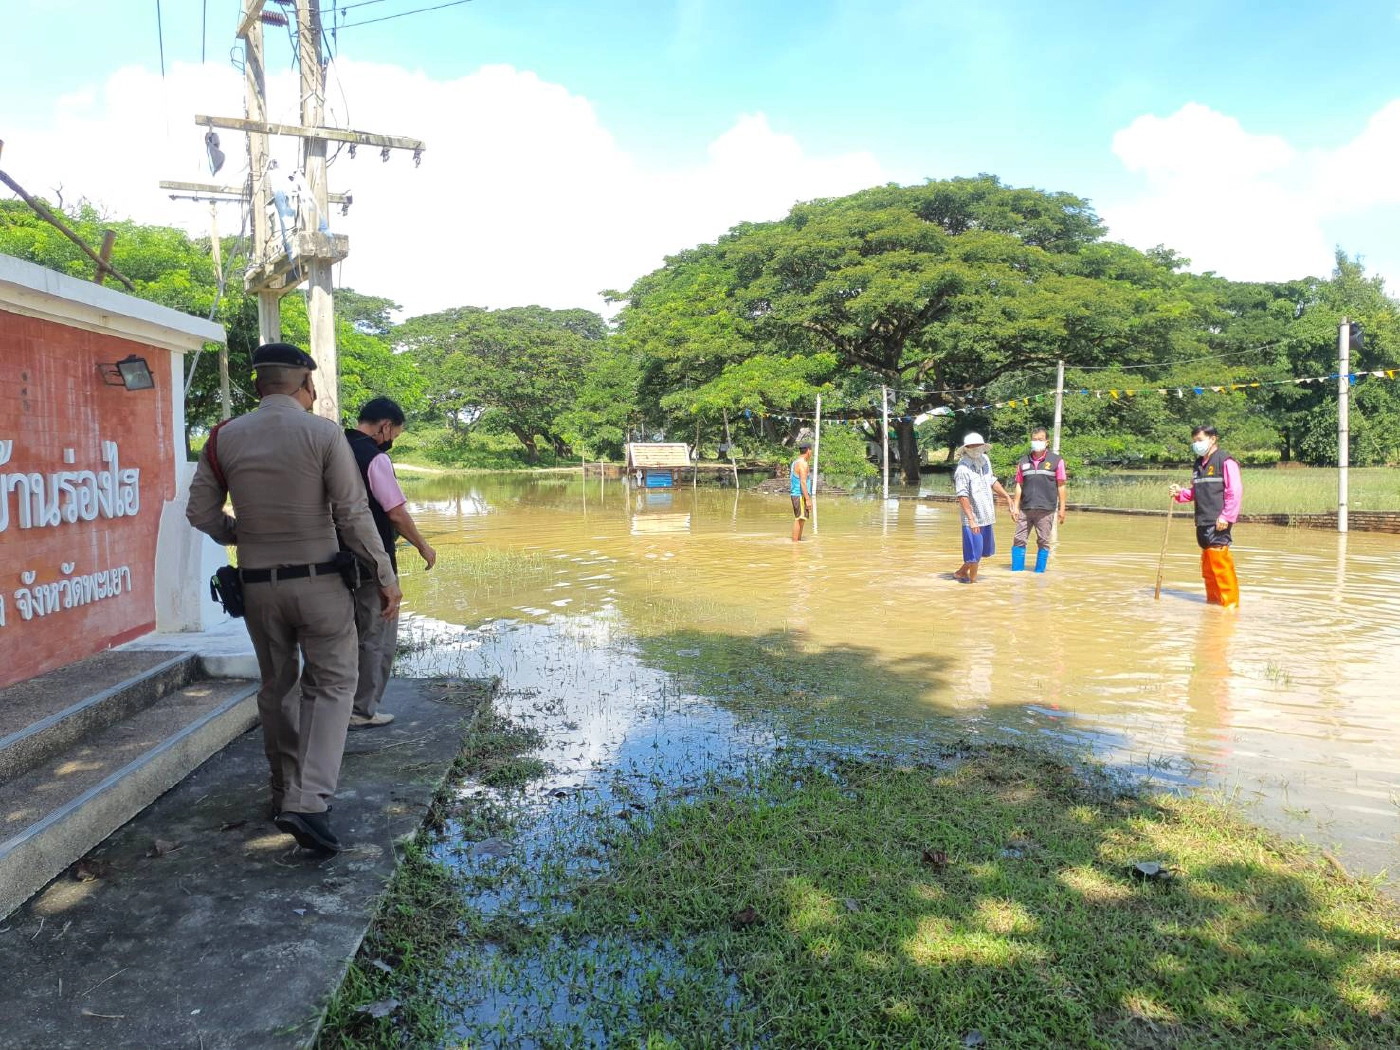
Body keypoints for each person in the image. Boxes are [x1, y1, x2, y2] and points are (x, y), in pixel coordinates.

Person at [186, 343, 401, 854]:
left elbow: (201, 513)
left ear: (259, 384)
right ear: (305, 384)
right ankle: (308, 802)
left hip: (258, 587)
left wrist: (242, 533)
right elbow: (353, 515)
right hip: (321, 584)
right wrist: (385, 575)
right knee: (331, 686)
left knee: (277, 684)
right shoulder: (325, 434)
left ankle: (283, 792)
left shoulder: (223, 437)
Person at [344, 397, 436, 730]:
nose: (393, 439)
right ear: (386, 426)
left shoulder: (334, 448)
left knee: (344, 638)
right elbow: (395, 512)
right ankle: (361, 710)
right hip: (371, 564)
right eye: (395, 431)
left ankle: (337, 706)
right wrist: (424, 546)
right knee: (377, 637)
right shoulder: (375, 458)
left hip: (332, 562)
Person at [1170, 424, 1242, 608]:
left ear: (1212, 439)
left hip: (1219, 521)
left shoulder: (1226, 461)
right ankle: (1213, 605)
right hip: (1202, 520)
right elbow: (1196, 492)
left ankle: (1230, 608)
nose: (1197, 444)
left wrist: (1226, 516)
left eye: (1200, 440)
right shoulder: (1198, 464)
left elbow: (1234, 491)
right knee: (1208, 570)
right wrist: (1179, 493)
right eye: (1194, 441)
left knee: (1221, 567)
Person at [953, 433, 1017, 583]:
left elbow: (992, 481)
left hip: (986, 514)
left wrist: (1008, 498)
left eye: (978, 446)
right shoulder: (962, 470)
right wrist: (971, 519)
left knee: (982, 551)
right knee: (974, 553)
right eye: (972, 446)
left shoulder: (985, 460)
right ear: (966, 448)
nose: (975, 449)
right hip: (972, 518)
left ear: (983, 447)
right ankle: (973, 583)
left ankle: (961, 572)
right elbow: (962, 496)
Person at [1010, 427, 1067, 573]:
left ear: (1047, 442)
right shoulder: (1023, 461)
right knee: (1019, 540)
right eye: (1034, 440)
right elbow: (1019, 485)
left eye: (1040, 440)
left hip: (1046, 509)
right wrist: (1015, 507)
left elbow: (1061, 485)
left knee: (1043, 541)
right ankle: (1017, 573)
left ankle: (1039, 574)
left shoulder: (1056, 461)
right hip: (1025, 508)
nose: (1037, 442)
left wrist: (1062, 508)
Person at [790, 442, 814, 541]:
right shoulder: (802, 464)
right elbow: (803, 483)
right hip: (799, 494)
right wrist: (808, 499)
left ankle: (798, 542)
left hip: (798, 494)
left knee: (802, 519)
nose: (811, 453)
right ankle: (795, 545)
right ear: (808, 450)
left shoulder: (796, 462)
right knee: (799, 519)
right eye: (811, 450)